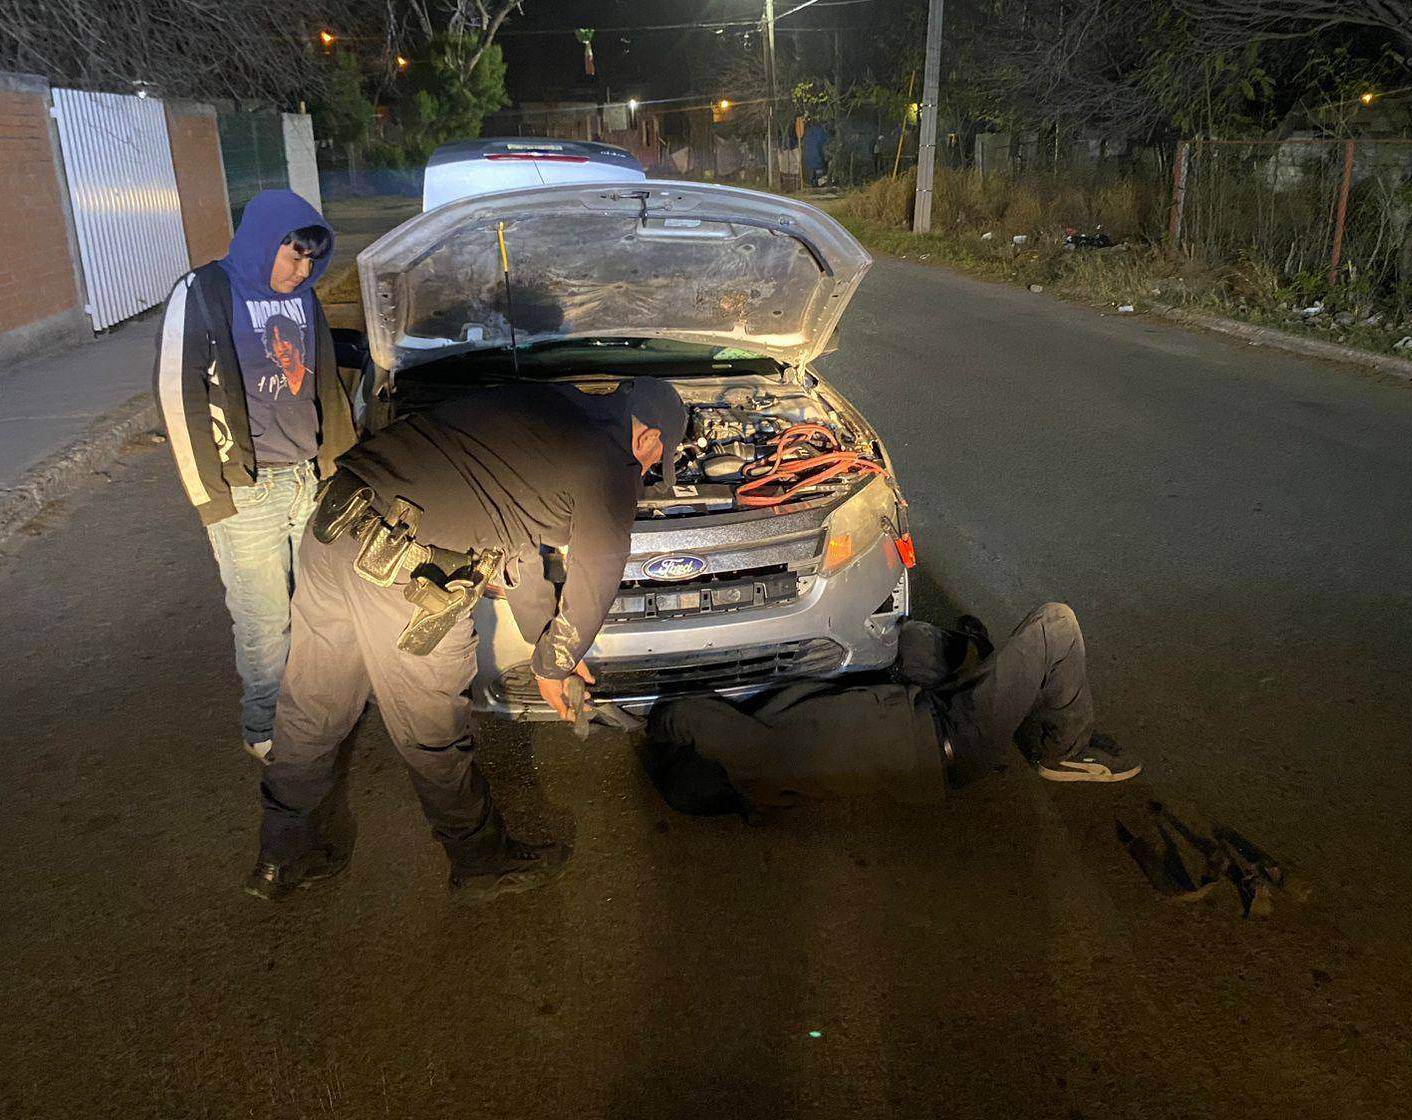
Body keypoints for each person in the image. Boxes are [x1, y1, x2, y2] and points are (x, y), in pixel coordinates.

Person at [245, 377, 688, 904]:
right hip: (405, 572)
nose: (644, 475)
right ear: (650, 440)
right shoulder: (609, 467)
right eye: (653, 465)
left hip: (336, 526)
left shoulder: (546, 401)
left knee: (313, 705)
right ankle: (479, 861)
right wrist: (555, 664)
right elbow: (597, 576)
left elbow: (519, 544)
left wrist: (548, 647)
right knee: (432, 731)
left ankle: (282, 854)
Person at [154, 190, 357, 763]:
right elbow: (178, 395)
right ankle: (266, 728)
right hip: (246, 491)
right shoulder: (205, 292)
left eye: (313, 260)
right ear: (263, 243)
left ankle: (318, 704)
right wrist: (210, 497)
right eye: (293, 255)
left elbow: (326, 391)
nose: (303, 269)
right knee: (264, 618)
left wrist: (338, 466)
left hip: (306, 482)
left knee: (321, 606)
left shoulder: (305, 300)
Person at [641, 603, 1140, 816]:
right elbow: (679, 715)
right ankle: (1062, 750)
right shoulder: (754, 754)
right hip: (950, 735)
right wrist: (654, 730)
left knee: (915, 638)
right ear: (710, 754)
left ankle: (987, 665)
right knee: (1055, 624)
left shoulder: (762, 778)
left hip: (920, 714)